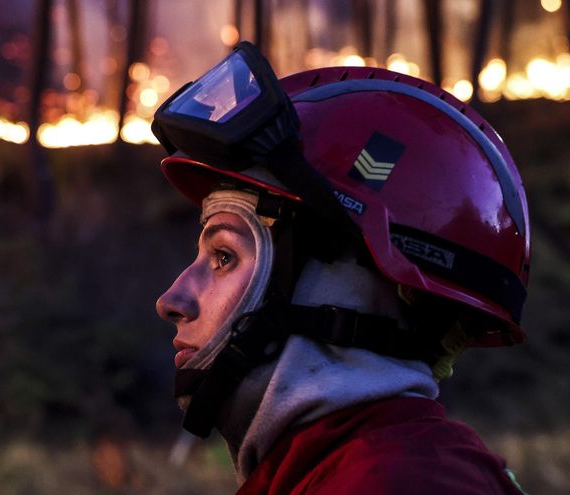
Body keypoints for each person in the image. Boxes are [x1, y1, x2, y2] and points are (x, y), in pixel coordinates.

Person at [152, 42, 530, 494]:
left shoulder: (400, 483)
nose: (171, 300)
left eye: (224, 258)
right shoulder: (329, 475)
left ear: (350, 288)